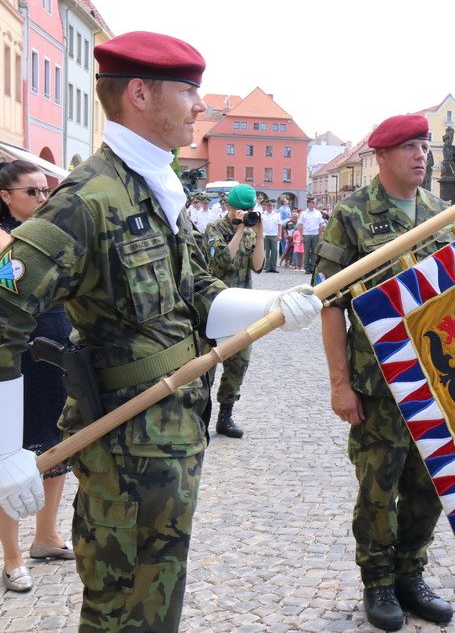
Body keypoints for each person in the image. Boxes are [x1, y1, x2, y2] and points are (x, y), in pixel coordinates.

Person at [0, 31, 321, 630]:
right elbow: (2, 313)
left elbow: (194, 295)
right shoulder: (86, 199)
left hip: (172, 435)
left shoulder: (154, 187)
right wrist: (5, 449)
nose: (201, 106)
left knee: (157, 605)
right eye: (188, 90)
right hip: (122, 445)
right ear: (141, 94)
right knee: (119, 611)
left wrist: (274, 308)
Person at [317, 114, 453, 632]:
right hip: (378, 386)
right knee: (379, 485)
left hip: (438, 376)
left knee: (430, 483)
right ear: (382, 156)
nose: (421, 155)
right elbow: (329, 304)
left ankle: (410, 574)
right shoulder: (351, 216)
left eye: (424, 146)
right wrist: (339, 383)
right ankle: (377, 580)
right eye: (409, 147)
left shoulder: (442, 212)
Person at [0, 161, 74, 594]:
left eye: (47, 192)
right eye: (33, 192)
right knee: (12, 453)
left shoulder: (45, 236)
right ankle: (11, 557)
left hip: (54, 349)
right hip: (16, 359)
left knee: (55, 444)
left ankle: (45, 536)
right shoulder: (9, 237)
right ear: (6, 195)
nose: (43, 200)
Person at [205, 184, 266, 438]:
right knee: (206, 364)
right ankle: (200, 414)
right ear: (229, 206)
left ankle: (225, 416)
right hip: (215, 305)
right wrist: (239, 230)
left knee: (238, 364)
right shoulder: (214, 229)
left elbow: (258, 266)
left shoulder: (252, 234)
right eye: (242, 209)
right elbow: (225, 260)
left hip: (241, 307)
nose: (246, 213)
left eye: (250, 209)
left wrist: (260, 234)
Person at [297, 196, 325, 275]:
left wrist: (320, 235)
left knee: (314, 251)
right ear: (308, 203)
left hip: (315, 233)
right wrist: (301, 235)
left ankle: (313, 267)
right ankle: (307, 267)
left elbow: (320, 225)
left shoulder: (318, 213)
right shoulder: (303, 213)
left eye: (314, 203)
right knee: (306, 252)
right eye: (312, 203)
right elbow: (300, 225)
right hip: (307, 233)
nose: (313, 204)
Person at [260, 198, 281, 273]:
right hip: (265, 235)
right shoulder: (263, 214)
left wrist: (279, 235)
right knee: (266, 251)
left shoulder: (277, 214)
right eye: (268, 206)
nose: (269, 207)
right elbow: (260, 225)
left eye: (271, 206)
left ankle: (273, 266)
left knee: (275, 251)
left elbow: (279, 225)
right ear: (266, 206)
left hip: (274, 234)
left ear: (273, 206)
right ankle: (267, 266)